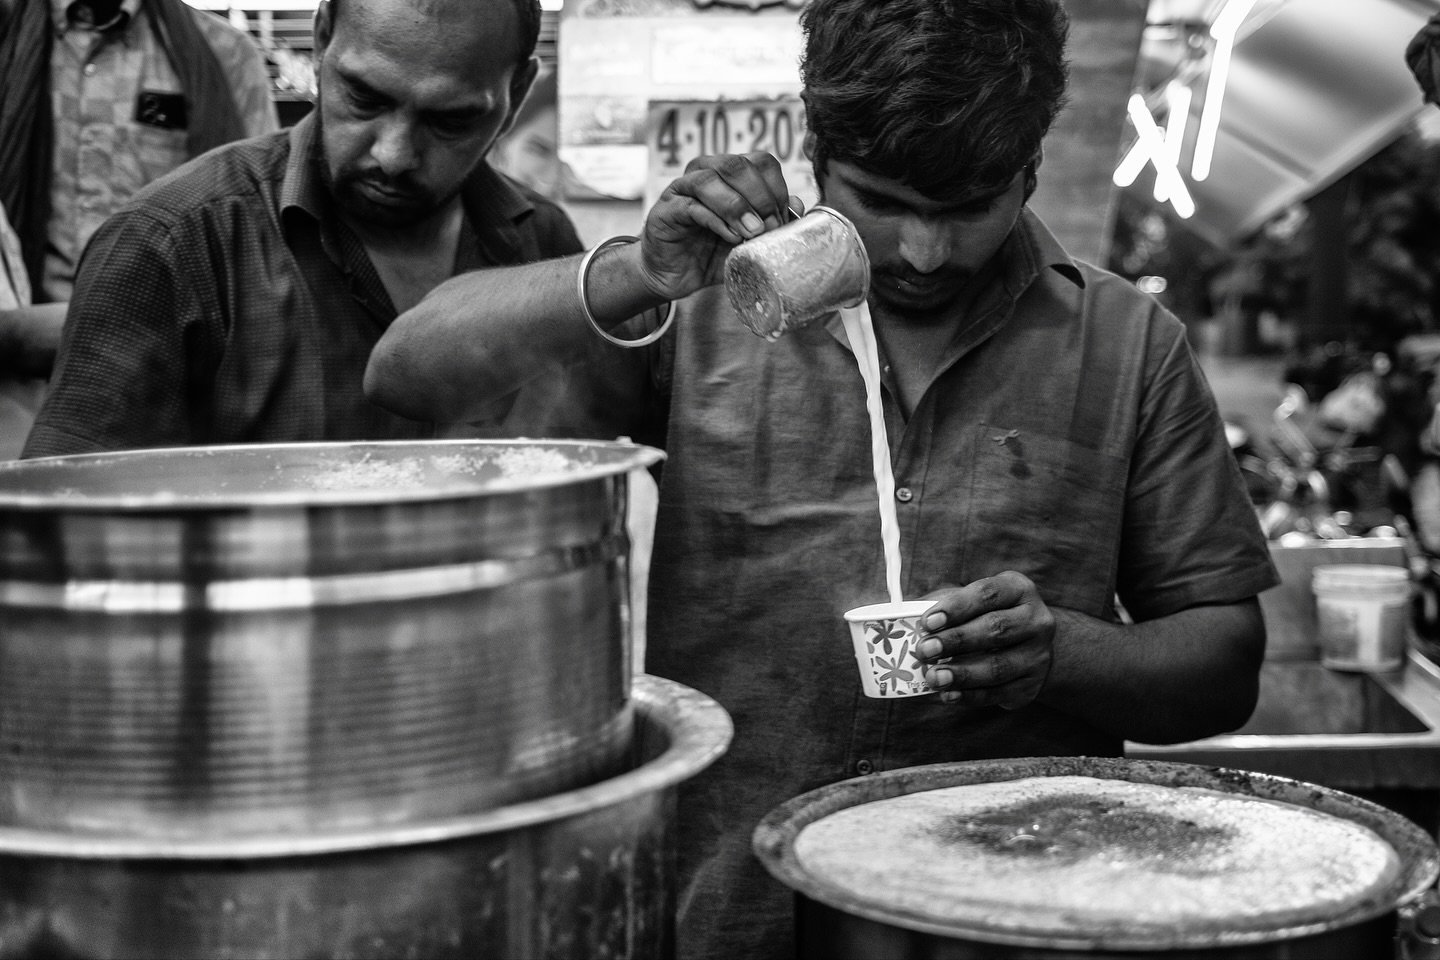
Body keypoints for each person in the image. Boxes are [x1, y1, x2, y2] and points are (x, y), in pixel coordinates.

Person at [364, 0, 1277, 956]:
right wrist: (641, 269)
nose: (924, 252)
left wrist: (1067, 655)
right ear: (816, 149)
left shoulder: (1126, 346)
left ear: (1032, 167)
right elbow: (407, 378)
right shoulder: (709, 304)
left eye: (968, 207)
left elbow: (1222, 669)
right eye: (882, 202)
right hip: (725, 913)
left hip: (1016, 920)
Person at [22, 0, 606, 456]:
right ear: (324, 37)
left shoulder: (544, 245)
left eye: (451, 120)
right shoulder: (170, 246)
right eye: (364, 97)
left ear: (519, 91)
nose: (394, 154)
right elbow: (65, 539)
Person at [0, 0, 277, 400]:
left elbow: (257, 236)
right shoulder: (9, 42)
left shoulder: (223, 55)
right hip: (18, 393)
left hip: (163, 386)